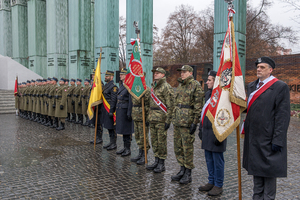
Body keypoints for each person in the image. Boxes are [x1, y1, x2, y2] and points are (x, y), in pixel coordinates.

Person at [243, 57, 290, 200]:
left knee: (269, 180)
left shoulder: (280, 87)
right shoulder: (251, 86)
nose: (258, 69)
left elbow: (282, 116)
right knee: (257, 179)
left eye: (262, 67)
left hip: (269, 140)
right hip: (254, 139)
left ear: (270, 70)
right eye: (257, 66)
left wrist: (278, 140)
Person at [171, 65, 204, 184]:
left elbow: (198, 105)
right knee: (178, 147)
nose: (182, 74)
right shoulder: (180, 85)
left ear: (190, 73)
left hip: (187, 121)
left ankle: (188, 172)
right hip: (178, 121)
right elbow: (175, 103)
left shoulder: (195, 85)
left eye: (184, 72)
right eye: (181, 72)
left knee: (187, 148)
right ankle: (182, 169)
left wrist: (195, 122)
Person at [198, 70, 227, 196]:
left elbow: (225, 116)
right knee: (209, 159)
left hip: (217, 133)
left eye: (209, 80)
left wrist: (220, 134)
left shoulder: (222, 95)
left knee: (217, 160)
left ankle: (218, 185)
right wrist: (201, 128)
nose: (207, 82)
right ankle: (211, 181)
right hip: (207, 131)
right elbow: (204, 113)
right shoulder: (208, 94)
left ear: (216, 81)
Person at [146, 67, 174, 173]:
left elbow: (170, 105)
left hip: (161, 119)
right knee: (154, 141)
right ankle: (156, 160)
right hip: (152, 117)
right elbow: (150, 104)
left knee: (161, 142)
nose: (155, 75)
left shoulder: (166, 87)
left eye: (157, 73)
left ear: (163, 75)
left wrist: (168, 120)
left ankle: (161, 163)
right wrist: (149, 116)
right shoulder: (154, 86)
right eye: (154, 73)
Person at [130, 76, 151, 165]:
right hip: (136, 115)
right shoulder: (134, 89)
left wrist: (146, 117)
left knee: (143, 136)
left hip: (143, 116)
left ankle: (144, 155)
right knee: (138, 136)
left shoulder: (146, 89)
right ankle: (140, 153)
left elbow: (148, 105)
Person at [115, 68, 133, 157]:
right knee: (122, 130)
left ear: (126, 76)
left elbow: (131, 100)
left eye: (122, 74)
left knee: (127, 130)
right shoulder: (122, 85)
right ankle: (124, 147)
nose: (120, 75)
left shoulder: (129, 85)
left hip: (125, 110)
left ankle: (128, 148)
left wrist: (129, 112)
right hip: (120, 109)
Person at [102, 70, 118, 150]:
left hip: (110, 109)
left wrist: (111, 111)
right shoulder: (106, 85)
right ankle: (111, 142)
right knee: (108, 126)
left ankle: (114, 143)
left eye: (107, 76)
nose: (105, 77)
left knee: (112, 127)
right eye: (105, 76)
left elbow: (114, 100)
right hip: (105, 108)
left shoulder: (113, 87)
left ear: (112, 77)